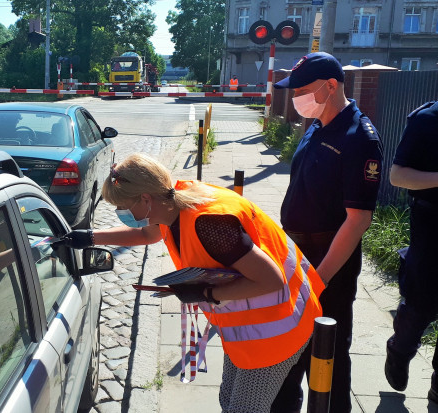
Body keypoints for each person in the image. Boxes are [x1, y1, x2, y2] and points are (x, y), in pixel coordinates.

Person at [62, 153, 325, 412]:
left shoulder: (209, 224)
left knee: (244, 409)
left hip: (278, 328)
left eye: (122, 207)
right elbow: (146, 233)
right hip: (252, 328)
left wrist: (207, 293)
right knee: (228, 400)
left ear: (145, 198)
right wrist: (91, 238)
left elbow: (272, 280)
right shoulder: (171, 202)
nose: (121, 213)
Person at [270, 52, 383, 412]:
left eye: (302, 90)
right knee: (288, 353)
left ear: (330, 86)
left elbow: (357, 220)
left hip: (328, 266)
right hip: (297, 257)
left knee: (327, 356)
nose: (296, 98)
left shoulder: (359, 137)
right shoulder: (317, 126)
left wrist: (318, 280)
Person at [384, 100, 438, 404]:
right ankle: (399, 350)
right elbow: (397, 175)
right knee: (420, 308)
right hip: (431, 233)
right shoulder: (426, 119)